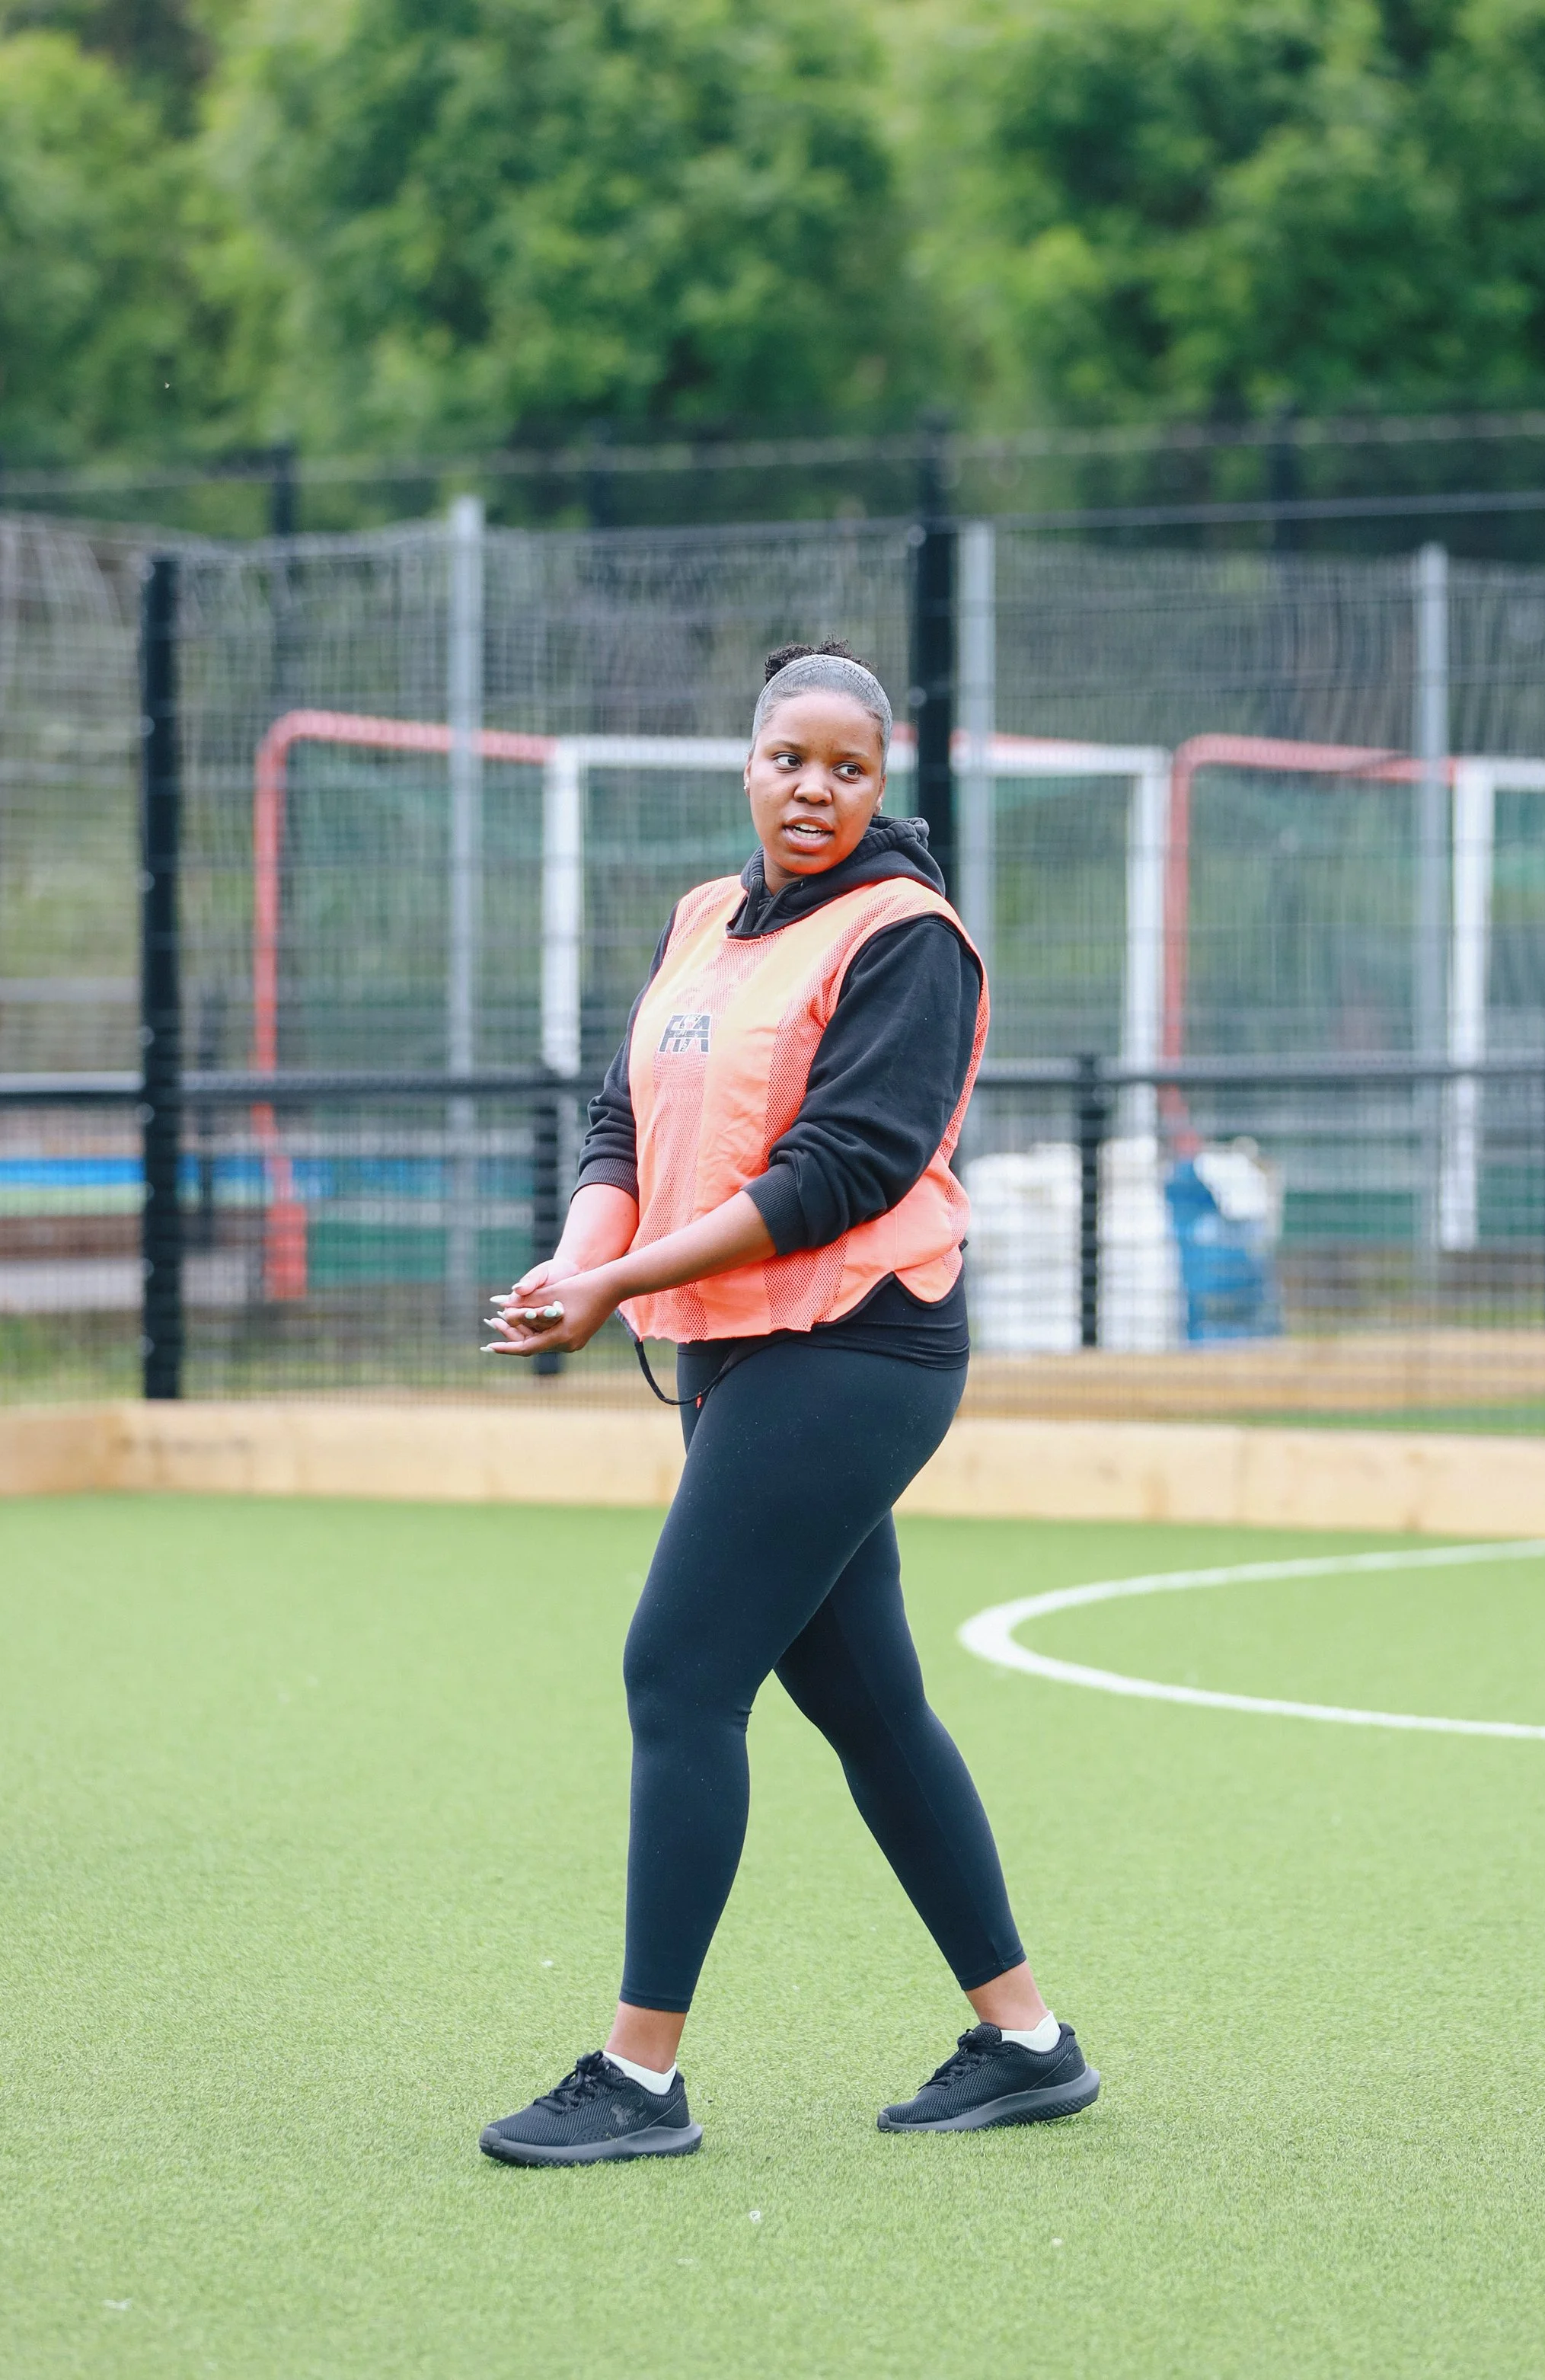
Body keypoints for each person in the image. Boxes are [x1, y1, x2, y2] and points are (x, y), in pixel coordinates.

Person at [474, 641, 1099, 2165]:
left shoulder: (909, 935)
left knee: (679, 1671)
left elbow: (839, 1173)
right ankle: (1025, 2038)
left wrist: (618, 1284)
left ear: (882, 783)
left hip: (861, 1347)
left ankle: (637, 2077)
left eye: (846, 767)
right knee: (863, 1698)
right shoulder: (705, 917)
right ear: (745, 764)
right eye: (787, 759)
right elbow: (624, 1114)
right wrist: (577, 1260)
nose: (812, 788)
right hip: (731, 1344)